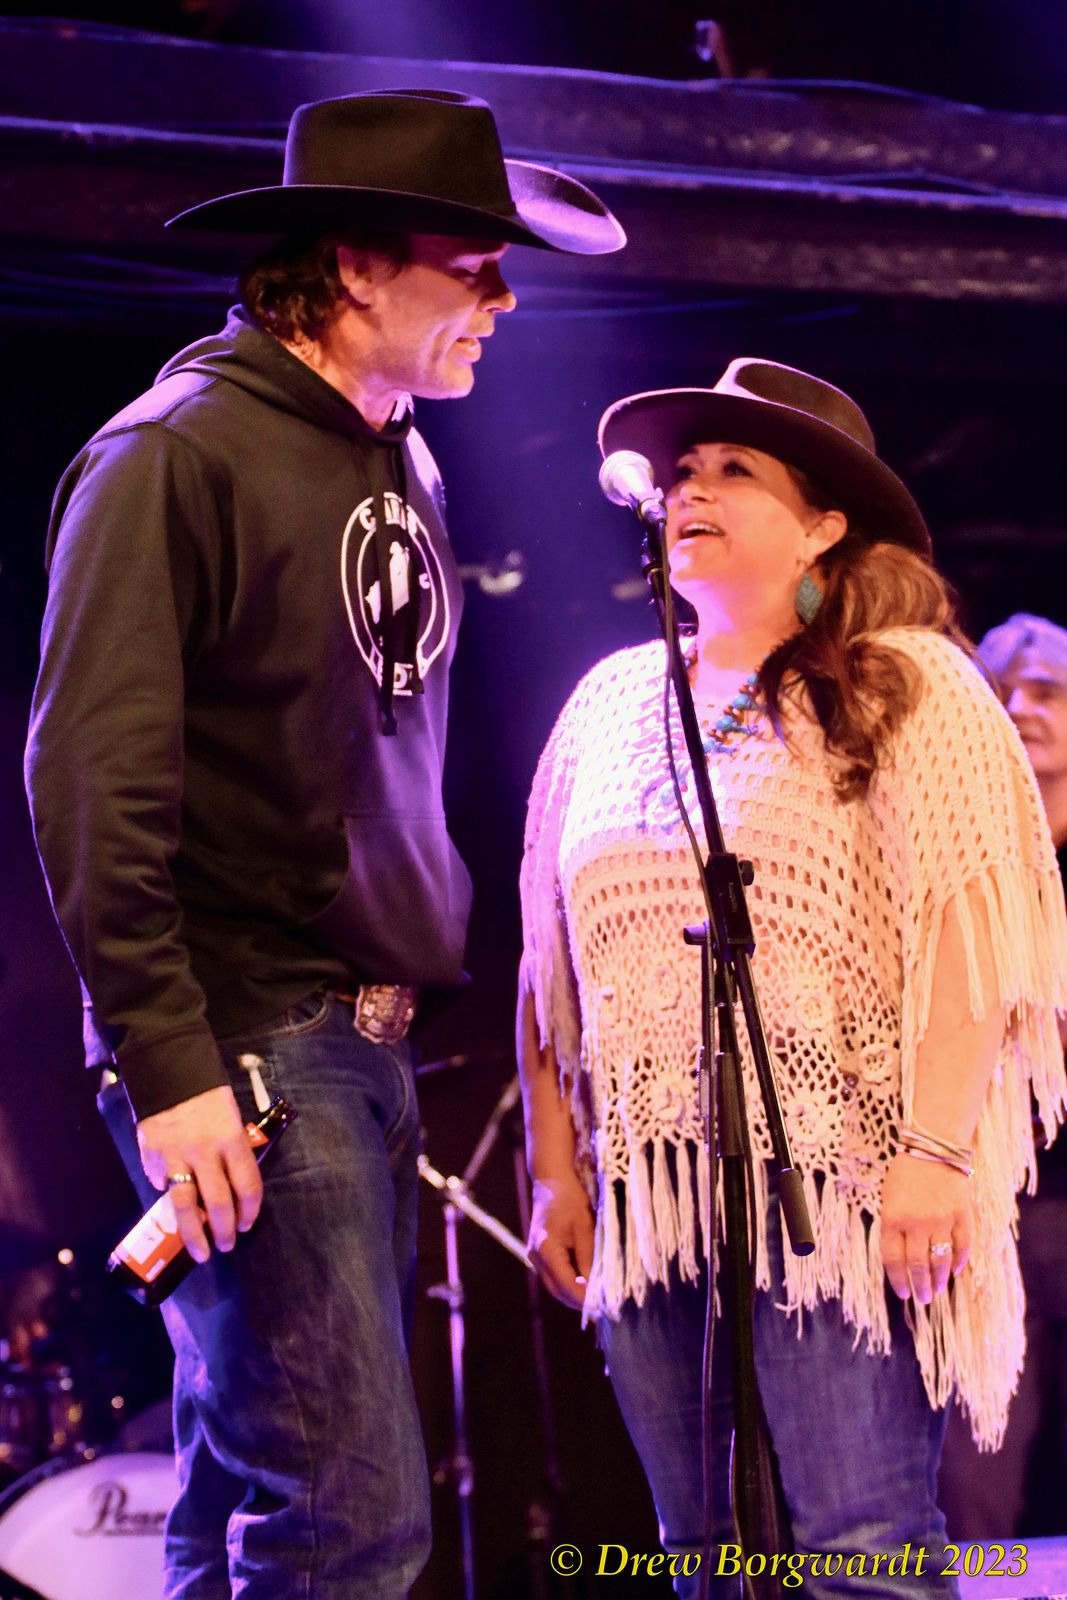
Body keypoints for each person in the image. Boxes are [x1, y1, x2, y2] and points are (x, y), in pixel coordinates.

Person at [24, 90, 623, 1599]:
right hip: (247, 1041)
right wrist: (172, 1064)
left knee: (253, 1494)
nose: (503, 298)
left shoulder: (400, 456)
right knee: (347, 1518)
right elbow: (89, 777)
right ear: (353, 268)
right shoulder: (173, 456)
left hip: (358, 1044)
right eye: (471, 265)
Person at [517, 359, 1067, 1597]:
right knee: (700, 1555)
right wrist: (555, 1166)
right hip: (654, 1195)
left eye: (733, 470)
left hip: (841, 1184)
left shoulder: (903, 680)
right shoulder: (607, 703)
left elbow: (971, 930)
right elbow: (547, 962)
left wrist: (933, 1151)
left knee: (857, 1550)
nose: (689, 491)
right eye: (681, 472)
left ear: (821, 524)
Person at [938, 612, 1067, 1540]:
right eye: (1003, 692)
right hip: (985, 1203)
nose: (1020, 709)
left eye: (1048, 691)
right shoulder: (961, 859)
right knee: (973, 1475)